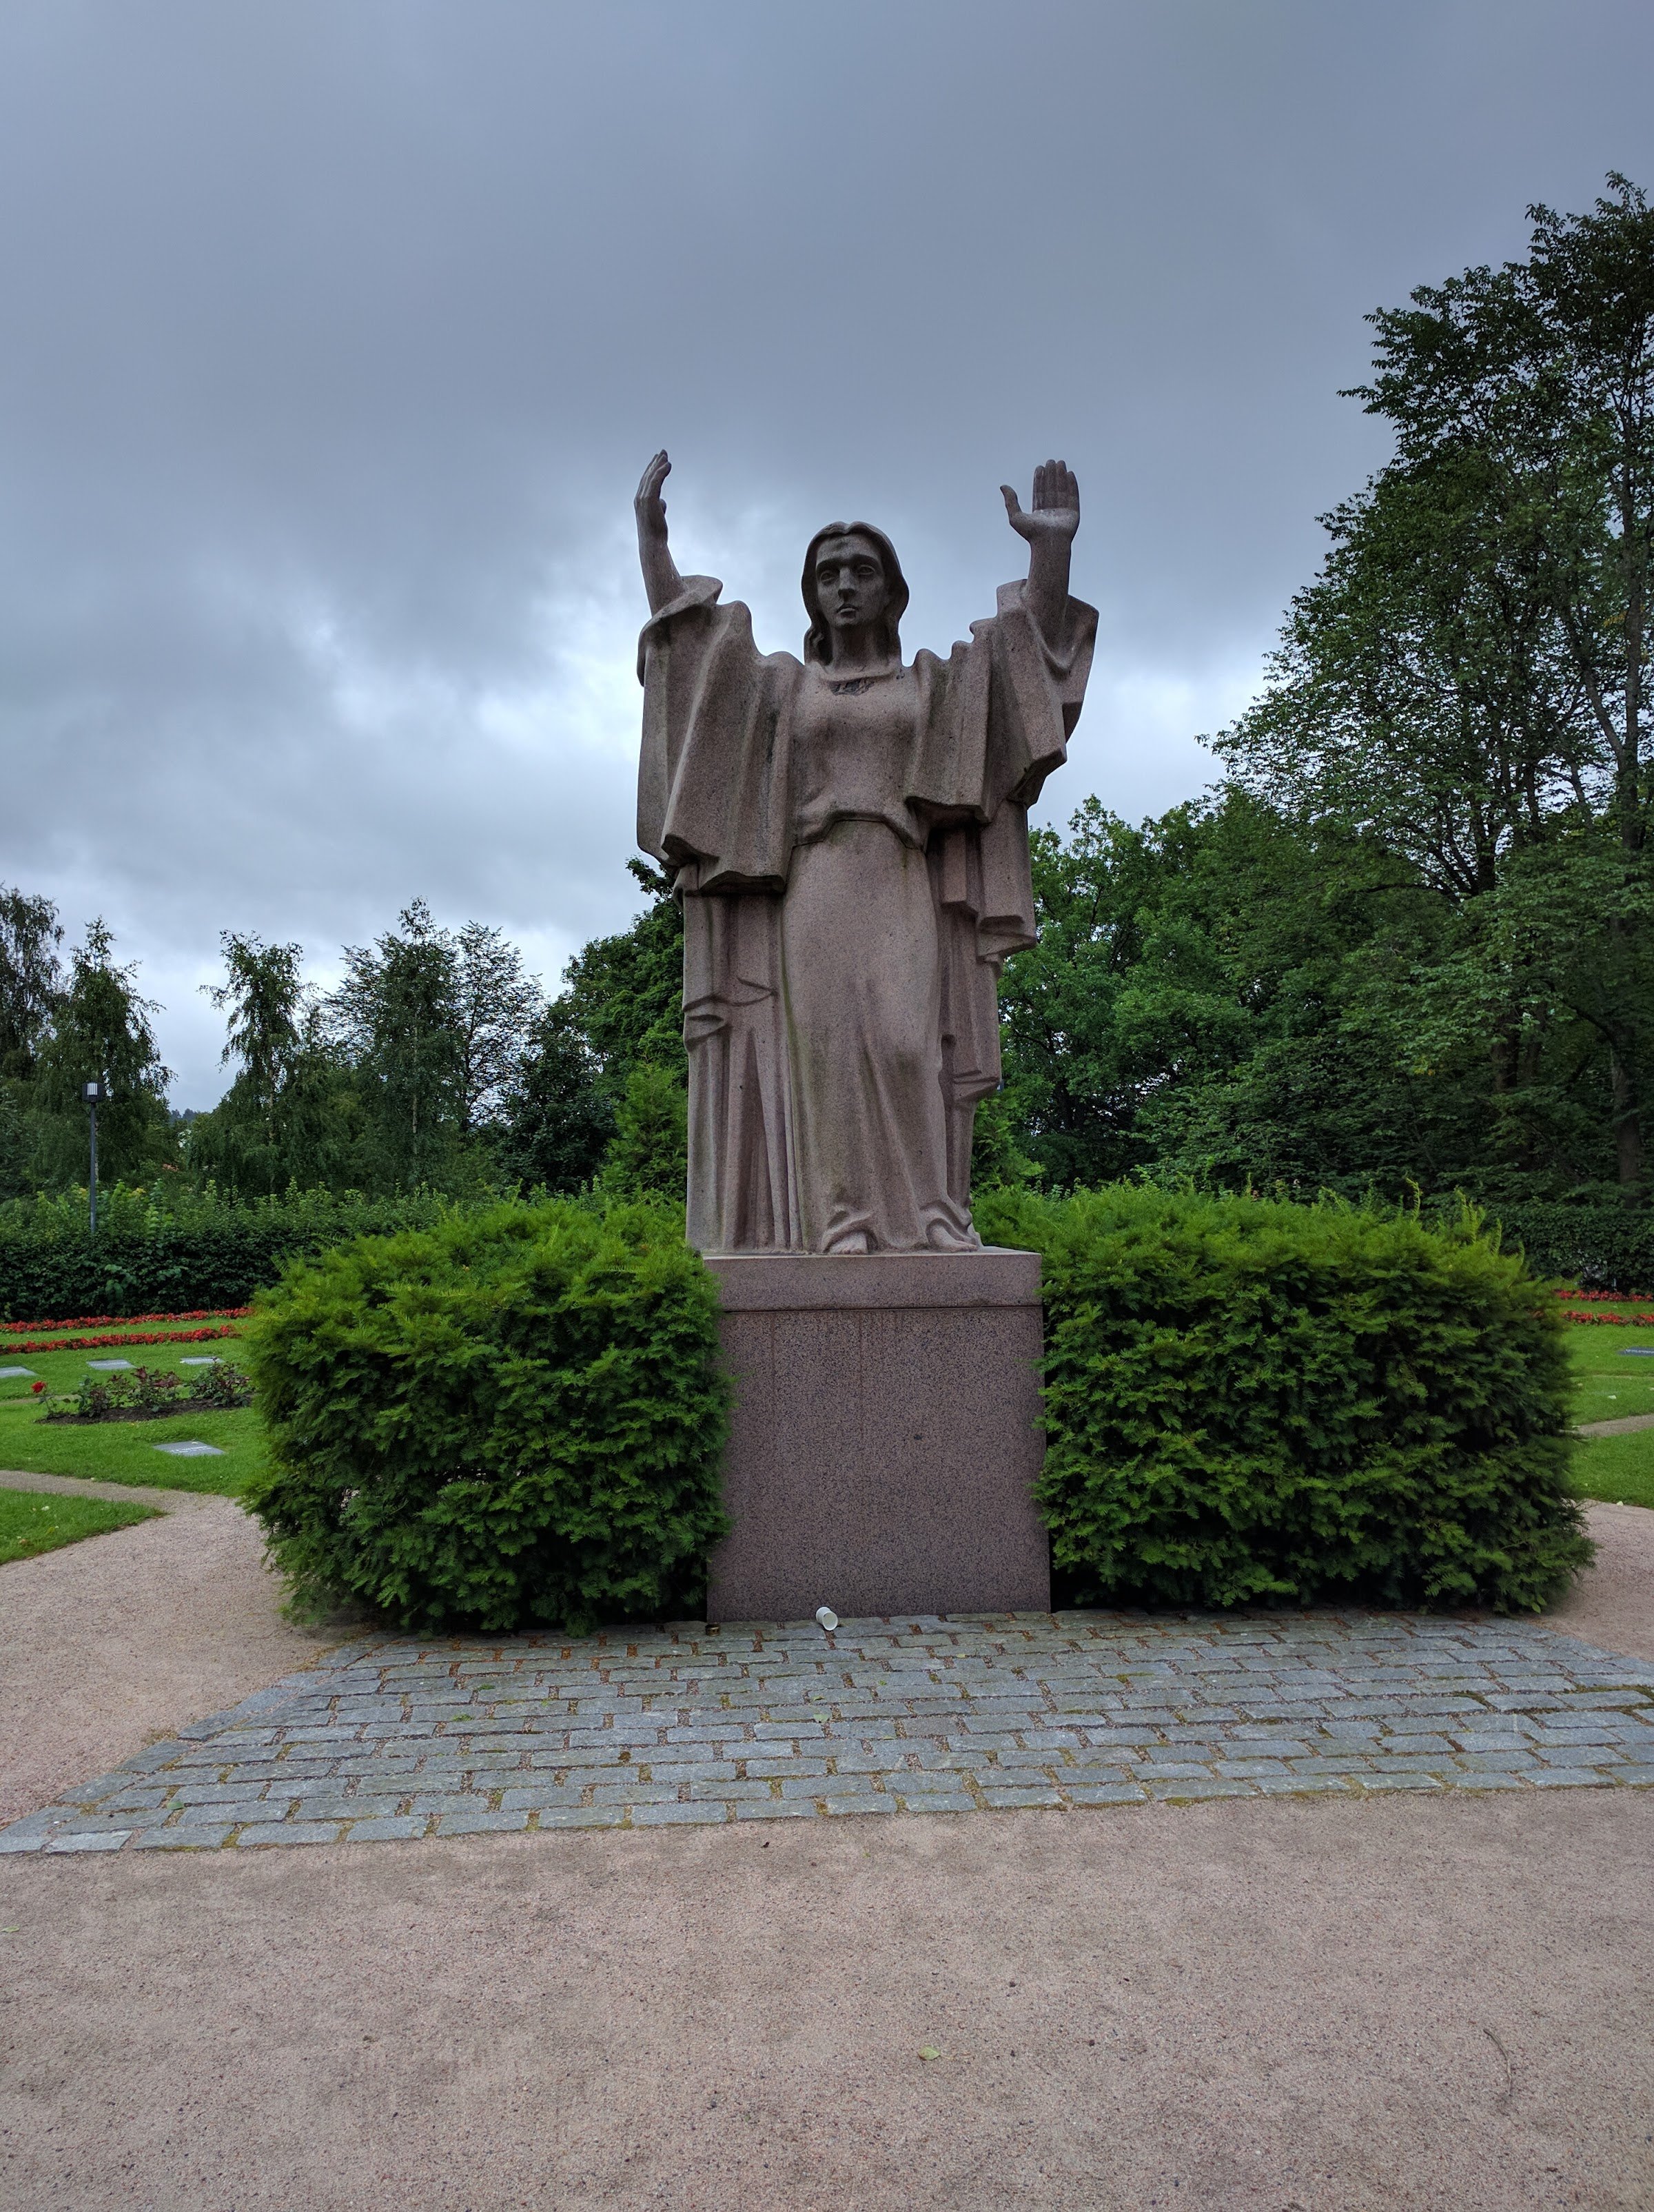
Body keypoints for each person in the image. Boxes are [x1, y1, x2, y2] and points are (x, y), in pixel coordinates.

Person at [635, 451, 1094, 1254]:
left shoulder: (930, 686)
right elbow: (691, 661)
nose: (844, 584)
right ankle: (841, 1219)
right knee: (828, 1053)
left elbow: (1028, 677)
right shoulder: (784, 686)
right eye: (827, 573)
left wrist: (1048, 551)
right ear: (811, 593)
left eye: (861, 569)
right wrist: (654, 547)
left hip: (899, 873)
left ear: (891, 588)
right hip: (814, 880)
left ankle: (933, 1216)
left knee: (907, 1043)